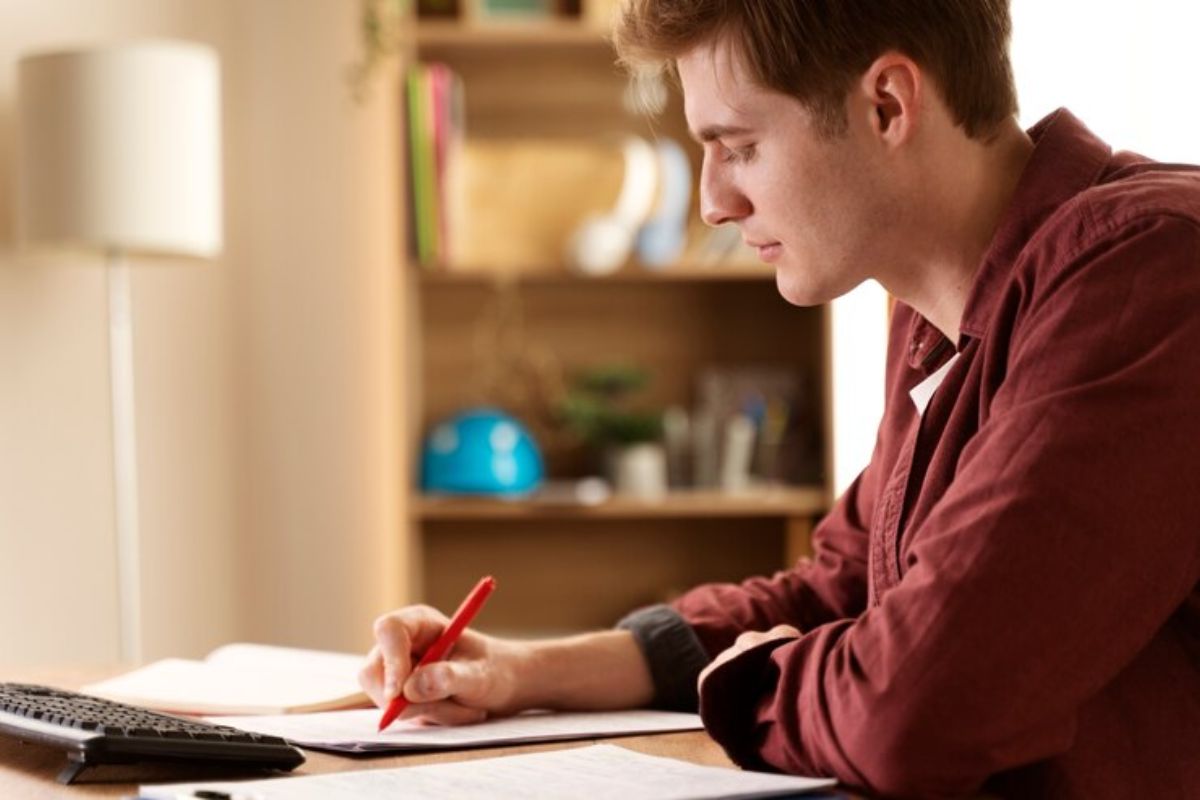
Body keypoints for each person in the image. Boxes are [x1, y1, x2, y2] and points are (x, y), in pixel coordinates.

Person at [361, 1, 1200, 796]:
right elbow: (840, 589)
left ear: (887, 104)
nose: (712, 202)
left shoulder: (1148, 275)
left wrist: (751, 679)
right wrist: (518, 672)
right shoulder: (938, 311)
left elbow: (915, 706)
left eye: (739, 146)